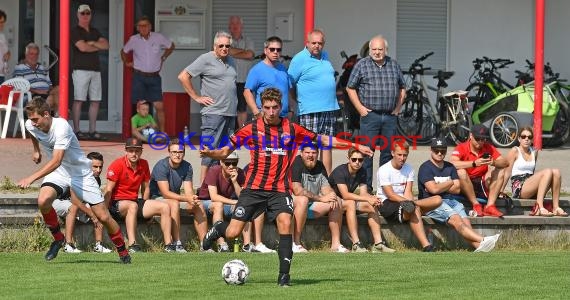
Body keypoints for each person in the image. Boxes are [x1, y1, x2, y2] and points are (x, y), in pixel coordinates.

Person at [199, 88, 372, 287]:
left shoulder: (292, 129)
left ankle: (284, 277)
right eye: (267, 108)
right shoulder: (251, 129)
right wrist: (211, 154)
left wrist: (355, 146)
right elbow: (225, 150)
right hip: (253, 189)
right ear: (261, 108)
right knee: (231, 233)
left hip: (280, 190)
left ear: (280, 107)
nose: (271, 112)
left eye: (275, 108)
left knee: (284, 223)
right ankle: (218, 228)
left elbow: (323, 139)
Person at [17, 97, 130, 263]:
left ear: (46, 114)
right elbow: (33, 133)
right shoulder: (31, 125)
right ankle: (58, 239)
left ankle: (122, 251)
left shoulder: (61, 126)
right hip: (60, 172)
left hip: (80, 174)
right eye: (31, 119)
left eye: (36, 119)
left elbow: (56, 161)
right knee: (43, 201)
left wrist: (31, 178)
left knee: (103, 217)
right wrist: (36, 151)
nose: (33, 123)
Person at [346, 35, 406, 192]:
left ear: (385, 50)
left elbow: (402, 87)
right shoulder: (362, 65)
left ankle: (383, 189)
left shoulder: (394, 65)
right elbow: (350, 87)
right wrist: (360, 108)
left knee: (387, 153)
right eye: (374, 49)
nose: (377, 52)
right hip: (370, 116)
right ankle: (367, 188)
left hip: (390, 116)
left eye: (380, 49)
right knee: (367, 153)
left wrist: (398, 107)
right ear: (369, 49)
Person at [418, 138, 500, 252]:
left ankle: (479, 248)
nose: (440, 153)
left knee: (465, 222)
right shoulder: (425, 168)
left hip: (450, 200)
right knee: (457, 220)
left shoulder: (450, 167)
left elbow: (457, 189)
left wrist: (441, 185)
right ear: (431, 150)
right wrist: (450, 182)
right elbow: (433, 190)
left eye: (442, 151)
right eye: (436, 150)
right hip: (432, 203)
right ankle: (483, 240)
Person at [178, 31, 237, 184]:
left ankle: (218, 186)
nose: (224, 48)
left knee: (225, 152)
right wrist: (196, 97)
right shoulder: (206, 59)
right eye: (221, 46)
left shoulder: (231, 60)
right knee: (208, 152)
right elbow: (183, 76)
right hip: (213, 114)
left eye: (227, 46)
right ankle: (203, 190)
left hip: (230, 113)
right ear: (214, 46)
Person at [105, 137, 175, 252]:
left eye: (137, 151)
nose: (134, 154)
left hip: (134, 202)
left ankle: (169, 245)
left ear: (141, 152)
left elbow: (146, 188)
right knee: (132, 206)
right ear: (126, 151)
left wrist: (144, 205)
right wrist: (105, 211)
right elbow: (108, 189)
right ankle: (133, 244)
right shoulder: (117, 164)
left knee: (165, 207)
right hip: (116, 204)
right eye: (131, 151)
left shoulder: (144, 164)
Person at [288, 29, 339, 174]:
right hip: (310, 109)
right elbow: (290, 83)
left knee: (327, 145)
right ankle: (306, 179)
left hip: (329, 108)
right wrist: (296, 99)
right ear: (307, 43)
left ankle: (326, 181)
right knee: (309, 147)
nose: (317, 46)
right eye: (314, 43)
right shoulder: (299, 58)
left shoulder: (325, 56)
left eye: (320, 43)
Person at [377, 141, 442, 252]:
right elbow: (391, 195)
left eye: (405, 155)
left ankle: (412, 207)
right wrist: (410, 203)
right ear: (392, 153)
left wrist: (410, 202)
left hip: (404, 202)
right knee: (414, 209)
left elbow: (408, 192)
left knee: (438, 199)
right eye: (399, 155)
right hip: (387, 203)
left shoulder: (409, 169)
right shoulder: (383, 170)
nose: (402, 158)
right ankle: (426, 245)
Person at [328, 147, 394, 253]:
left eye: (360, 160)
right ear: (348, 159)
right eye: (354, 159)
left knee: (372, 205)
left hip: (347, 203)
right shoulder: (340, 171)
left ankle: (378, 244)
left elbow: (363, 193)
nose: (357, 162)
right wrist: (367, 198)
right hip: (334, 204)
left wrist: (373, 199)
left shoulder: (362, 171)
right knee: (350, 202)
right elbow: (345, 195)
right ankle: (356, 244)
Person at [149, 138, 208, 252]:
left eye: (180, 152)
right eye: (174, 152)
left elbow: (188, 190)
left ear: (184, 153)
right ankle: (177, 243)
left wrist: (192, 199)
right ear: (169, 153)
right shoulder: (161, 165)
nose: (177, 155)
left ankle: (204, 244)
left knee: (198, 206)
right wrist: (186, 198)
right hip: (157, 198)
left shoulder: (187, 166)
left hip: (173, 198)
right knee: (174, 204)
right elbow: (165, 193)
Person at [121, 15, 175, 133]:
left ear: (150, 27)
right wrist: (126, 62)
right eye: (140, 26)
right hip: (139, 76)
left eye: (145, 25)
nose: (143, 28)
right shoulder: (134, 39)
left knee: (159, 107)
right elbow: (123, 51)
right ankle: (138, 134)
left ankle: (162, 133)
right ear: (137, 28)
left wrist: (164, 56)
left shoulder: (158, 37)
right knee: (139, 107)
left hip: (154, 77)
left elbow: (171, 46)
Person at [290, 144, 346, 253]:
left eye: (314, 153)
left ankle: (336, 244)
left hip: (312, 207)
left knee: (337, 201)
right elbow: (297, 190)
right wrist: (321, 198)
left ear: (318, 154)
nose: (310, 155)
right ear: (301, 153)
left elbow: (326, 189)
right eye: (307, 153)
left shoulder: (320, 166)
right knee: (303, 200)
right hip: (295, 206)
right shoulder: (296, 163)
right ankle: (295, 243)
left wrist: (331, 195)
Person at [52, 151, 113, 253]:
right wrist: (92, 216)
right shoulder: (77, 175)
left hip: (76, 205)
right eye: (95, 167)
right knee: (73, 207)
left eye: (100, 167)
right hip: (57, 202)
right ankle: (68, 245)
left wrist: (97, 211)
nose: (98, 170)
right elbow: (74, 200)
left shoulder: (96, 179)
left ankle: (99, 245)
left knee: (100, 210)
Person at [197, 152, 256, 252]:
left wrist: (234, 182)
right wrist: (234, 202)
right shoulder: (214, 170)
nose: (231, 166)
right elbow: (214, 197)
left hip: (225, 203)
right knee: (218, 205)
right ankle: (222, 244)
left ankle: (247, 245)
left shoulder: (240, 173)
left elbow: (242, 198)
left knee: (244, 207)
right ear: (221, 162)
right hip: (206, 202)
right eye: (228, 163)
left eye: (234, 163)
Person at [502, 126, 567, 217]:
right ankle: (539, 207)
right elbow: (507, 172)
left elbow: (531, 172)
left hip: (531, 184)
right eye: (523, 136)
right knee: (547, 171)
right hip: (519, 187)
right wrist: (501, 191)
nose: (526, 139)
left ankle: (556, 207)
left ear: (532, 140)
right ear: (519, 139)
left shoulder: (534, 152)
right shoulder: (515, 151)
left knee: (556, 172)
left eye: (529, 137)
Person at [450, 124, 509, 217]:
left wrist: (493, 162)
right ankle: (475, 204)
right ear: (471, 136)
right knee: (460, 172)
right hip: (466, 182)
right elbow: (452, 163)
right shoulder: (461, 147)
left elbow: (505, 162)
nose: (481, 142)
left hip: (481, 181)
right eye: (478, 139)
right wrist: (474, 163)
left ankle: (490, 206)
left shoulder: (488, 147)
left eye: (483, 139)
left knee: (500, 169)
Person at [70, 4, 109, 140]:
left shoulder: (95, 31)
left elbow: (106, 45)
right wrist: (94, 46)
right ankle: (76, 130)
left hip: (95, 70)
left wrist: (91, 43)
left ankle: (92, 131)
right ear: (78, 15)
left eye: (87, 13)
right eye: (83, 13)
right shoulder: (75, 31)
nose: (85, 16)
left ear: (91, 15)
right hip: (80, 70)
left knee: (95, 101)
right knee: (79, 100)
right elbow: (82, 48)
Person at [244, 36, 292, 119]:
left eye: (278, 49)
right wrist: (256, 112)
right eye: (272, 49)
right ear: (265, 50)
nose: (275, 52)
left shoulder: (283, 69)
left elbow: (287, 91)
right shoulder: (257, 70)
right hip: (265, 118)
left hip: (283, 118)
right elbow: (247, 92)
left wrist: (291, 110)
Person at [12, 43, 60, 115]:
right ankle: (60, 116)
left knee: (58, 89)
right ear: (26, 54)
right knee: (52, 98)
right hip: (31, 96)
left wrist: (49, 90)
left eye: (36, 54)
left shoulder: (41, 68)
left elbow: (50, 85)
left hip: (46, 93)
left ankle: (54, 117)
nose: (34, 56)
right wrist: (37, 91)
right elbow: (20, 86)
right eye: (31, 54)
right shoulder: (20, 68)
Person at [227, 16, 255, 128]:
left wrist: (232, 52)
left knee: (242, 108)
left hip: (244, 80)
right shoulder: (225, 40)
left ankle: (241, 133)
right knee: (229, 108)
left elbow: (250, 54)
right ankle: (230, 133)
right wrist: (243, 52)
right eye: (232, 24)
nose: (235, 26)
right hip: (228, 81)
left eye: (237, 24)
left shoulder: (249, 40)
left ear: (242, 26)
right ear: (229, 27)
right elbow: (225, 51)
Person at [0, 9, 10, 83]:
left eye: (3, 22)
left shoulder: (2, 36)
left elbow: (6, 52)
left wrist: (8, 54)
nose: (2, 24)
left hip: (1, 73)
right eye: (0, 22)